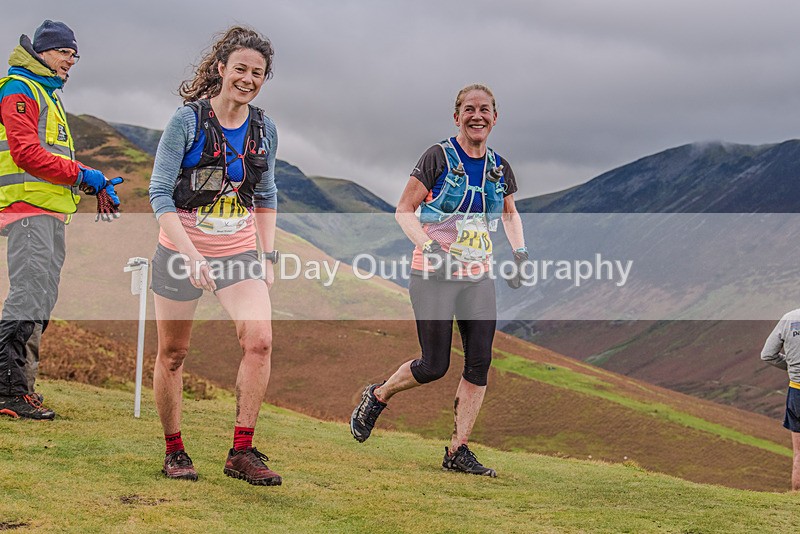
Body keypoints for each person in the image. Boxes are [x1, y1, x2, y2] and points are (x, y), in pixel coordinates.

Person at [350, 83, 528, 477]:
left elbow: (510, 214)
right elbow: (404, 210)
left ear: (495, 118)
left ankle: (457, 451)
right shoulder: (438, 157)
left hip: (478, 277)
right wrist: (428, 247)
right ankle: (377, 395)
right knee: (434, 365)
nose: (477, 116)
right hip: (433, 275)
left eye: (484, 110)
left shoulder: (500, 166)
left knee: (480, 363)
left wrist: (519, 253)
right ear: (457, 116)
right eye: (469, 109)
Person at [148, 26, 281, 486]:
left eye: (257, 72)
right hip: (180, 248)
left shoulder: (264, 128)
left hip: (238, 249)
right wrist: (189, 255)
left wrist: (267, 256)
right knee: (173, 353)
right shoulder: (187, 121)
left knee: (259, 340)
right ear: (221, 69)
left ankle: (241, 451)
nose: (248, 79)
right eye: (240, 69)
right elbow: (160, 195)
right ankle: (175, 450)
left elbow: (266, 193)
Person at [0, 20, 122, 420]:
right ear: (44, 52)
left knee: (41, 300)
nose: (72, 61)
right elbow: (26, 155)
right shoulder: (20, 89)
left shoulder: (46, 93)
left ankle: (22, 388)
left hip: (48, 214)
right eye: (66, 53)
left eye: (75, 55)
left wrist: (95, 180)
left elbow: (55, 158)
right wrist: (81, 175)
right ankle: (7, 391)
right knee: (28, 297)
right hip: (27, 211)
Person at [761, 309, 800, 491]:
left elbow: (768, 354)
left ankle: (796, 498)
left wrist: (792, 367)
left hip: (796, 392)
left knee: (798, 453)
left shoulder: (789, 318)